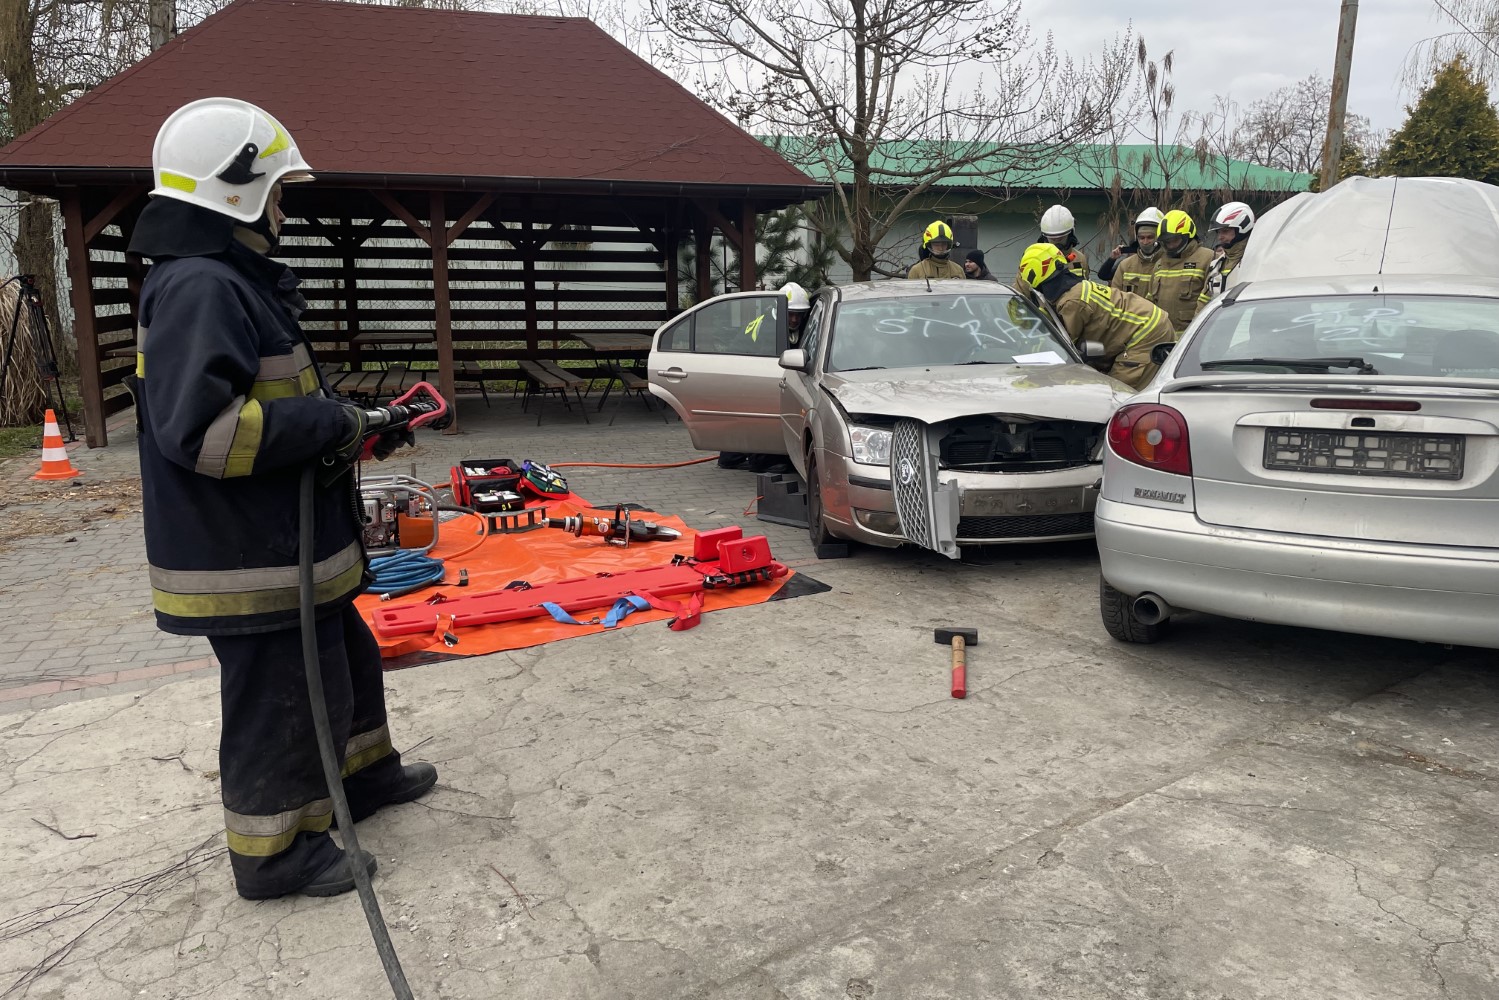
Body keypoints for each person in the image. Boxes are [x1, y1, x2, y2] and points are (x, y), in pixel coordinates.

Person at [125, 97, 436, 900]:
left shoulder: (234, 282)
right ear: (239, 194)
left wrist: (361, 428)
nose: (285, 207)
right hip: (248, 561)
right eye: (279, 192)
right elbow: (205, 435)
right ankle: (275, 856)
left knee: (346, 669)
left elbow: (281, 404)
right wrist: (328, 419)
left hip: (291, 550)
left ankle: (361, 781)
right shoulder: (199, 288)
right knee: (282, 703)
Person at [1016, 242, 1174, 389]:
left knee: (1117, 394)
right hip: (1144, 326)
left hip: (1146, 332)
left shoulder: (1072, 302)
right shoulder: (1071, 292)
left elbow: (1065, 351)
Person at [719, 281, 810, 470]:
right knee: (761, 420)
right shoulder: (770, 329)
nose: (794, 320)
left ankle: (730, 457)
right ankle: (759, 460)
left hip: (741, 374)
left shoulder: (770, 319)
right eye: (791, 315)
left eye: (798, 315)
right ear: (781, 310)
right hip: (745, 376)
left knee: (745, 422)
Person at [1148, 209, 1216, 330]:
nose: (1171, 246)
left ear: (1188, 236)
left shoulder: (1208, 258)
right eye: (1166, 242)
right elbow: (1150, 302)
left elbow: (1211, 299)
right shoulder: (1159, 264)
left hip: (1192, 337)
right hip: (1162, 337)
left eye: (1174, 240)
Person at [1100, 207, 1164, 289]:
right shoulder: (1126, 265)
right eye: (1141, 238)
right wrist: (1112, 259)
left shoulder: (1169, 263)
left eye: (1150, 237)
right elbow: (1104, 275)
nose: (1145, 242)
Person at [1205, 201, 1256, 297]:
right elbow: (1204, 300)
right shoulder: (1216, 265)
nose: (1220, 237)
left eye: (1225, 231)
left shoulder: (1256, 262)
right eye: (1218, 232)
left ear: (1243, 227)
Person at [1040, 204, 1089, 278]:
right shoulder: (1035, 260)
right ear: (1045, 238)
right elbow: (1020, 288)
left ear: (1071, 235)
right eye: (1052, 239)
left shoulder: (1080, 259)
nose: (1057, 243)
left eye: (1060, 238)